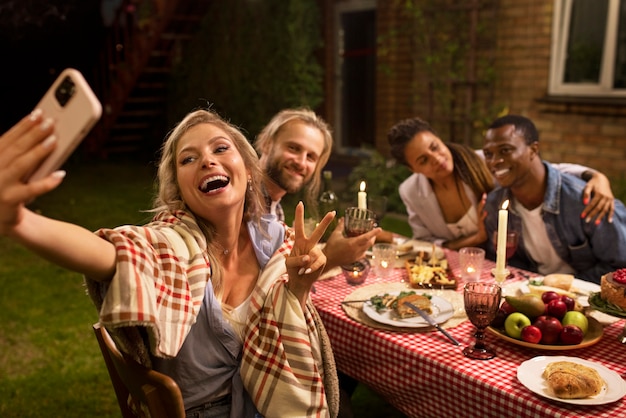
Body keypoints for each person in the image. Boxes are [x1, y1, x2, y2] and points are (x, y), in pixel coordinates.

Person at [0, 108, 340, 417]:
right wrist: (20, 223)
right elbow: (110, 252)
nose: (207, 160)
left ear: (250, 171)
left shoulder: (274, 241)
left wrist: (298, 286)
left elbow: (290, 315)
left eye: (220, 149)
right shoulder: (174, 244)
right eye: (188, 159)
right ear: (179, 188)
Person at [387, 117, 616, 250]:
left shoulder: (482, 162)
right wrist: (474, 239)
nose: (436, 159)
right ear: (412, 169)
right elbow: (425, 243)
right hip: (456, 267)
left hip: (506, 259)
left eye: (435, 146)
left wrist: (596, 177)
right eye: (423, 160)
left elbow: (543, 169)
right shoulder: (411, 191)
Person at [482, 114, 626, 283]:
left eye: (505, 150)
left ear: (533, 150)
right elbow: (504, 262)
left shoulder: (585, 200)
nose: (494, 162)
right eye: (488, 154)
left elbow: (620, 266)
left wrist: (564, 286)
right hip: (531, 292)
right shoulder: (495, 204)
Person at [254, 108, 381, 270]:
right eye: (293, 148)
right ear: (266, 144)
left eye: (311, 157)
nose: (301, 162)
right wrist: (330, 257)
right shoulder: (246, 202)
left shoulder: (274, 207)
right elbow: (265, 286)